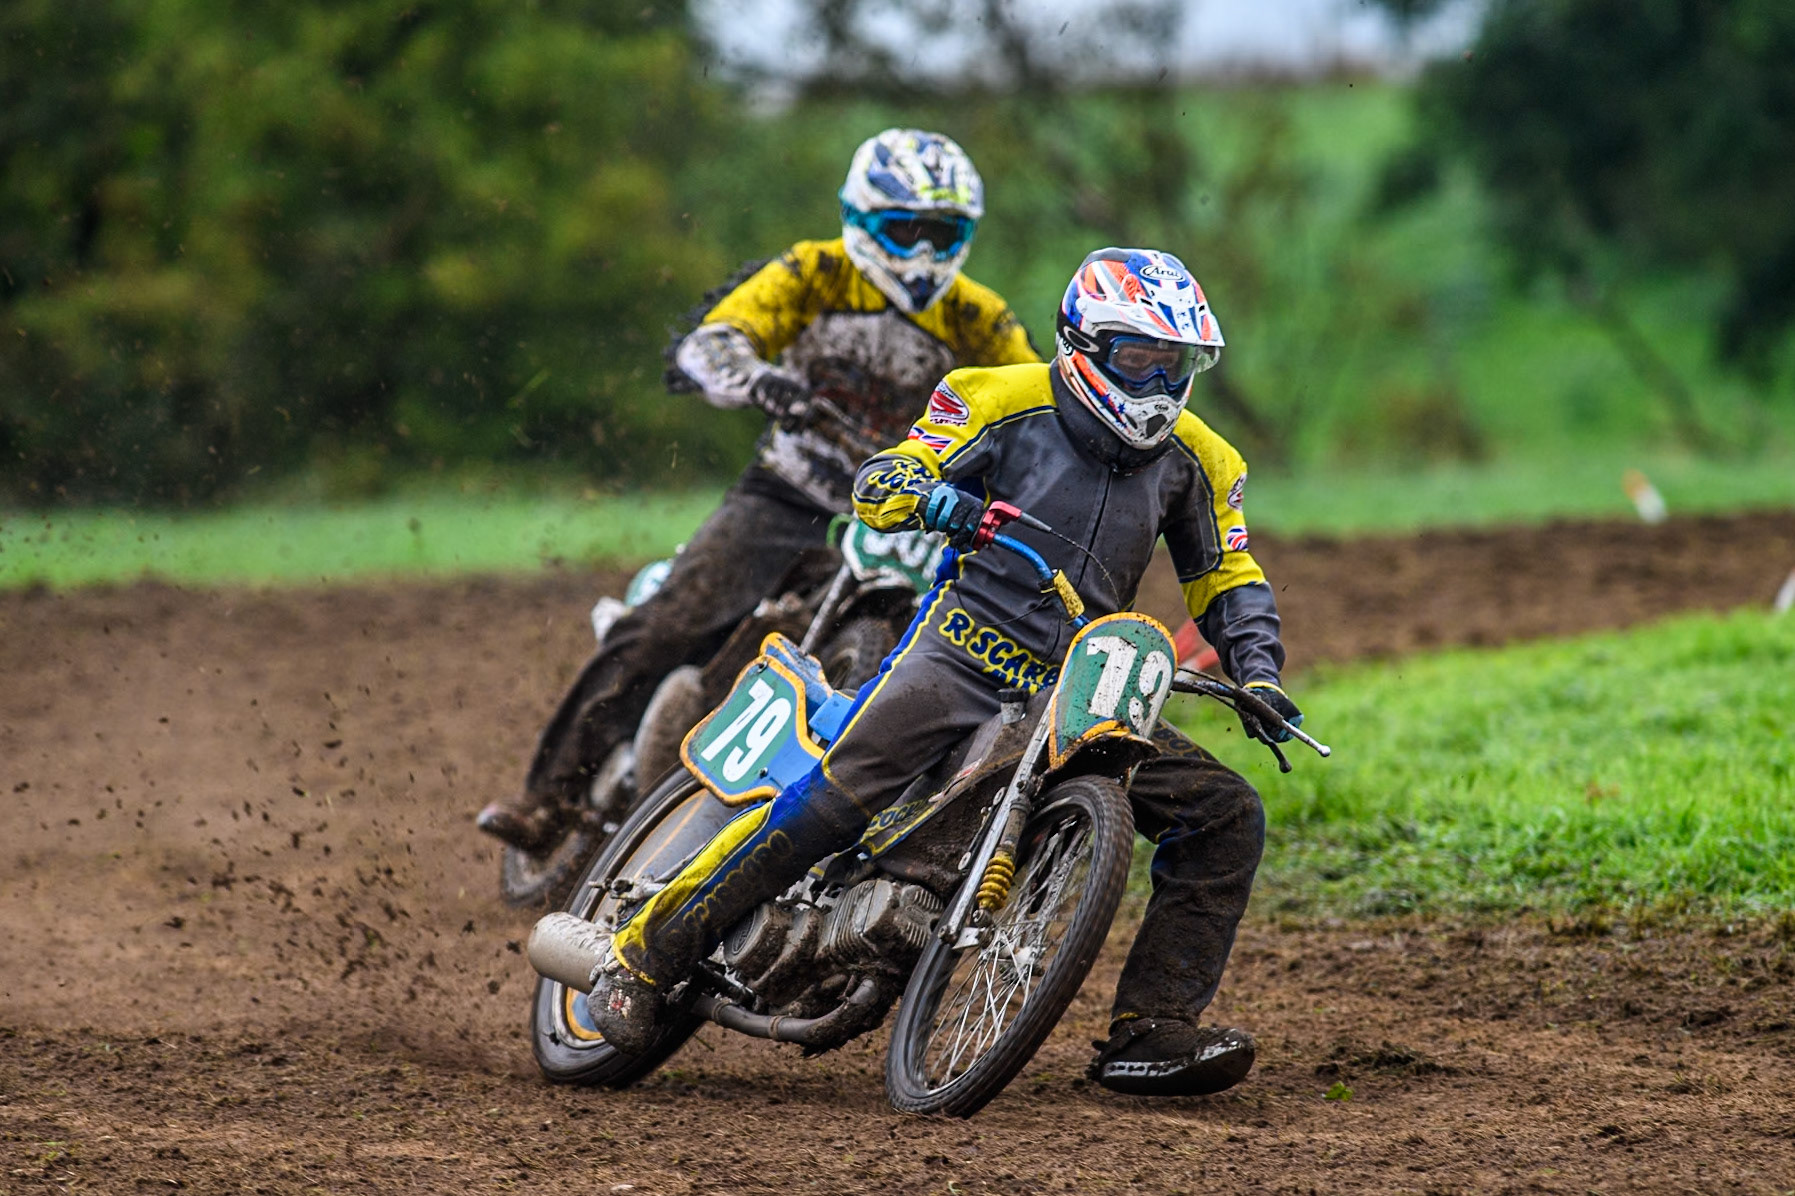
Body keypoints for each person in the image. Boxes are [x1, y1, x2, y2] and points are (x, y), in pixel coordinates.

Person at [584, 247, 1304, 1098]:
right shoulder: (992, 395)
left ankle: (1148, 1033)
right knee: (829, 802)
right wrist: (930, 495)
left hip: (1076, 677)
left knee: (1225, 814)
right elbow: (885, 478)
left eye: (1175, 364)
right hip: (960, 648)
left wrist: (1258, 673)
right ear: (1083, 343)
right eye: (1139, 359)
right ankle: (642, 958)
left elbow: (1228, 580)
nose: (1156, 382)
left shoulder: (1204, 460)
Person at [478, 128, 1039, 851]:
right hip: (791, 490)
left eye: (944, 233)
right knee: (670, 621)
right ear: (861, 220)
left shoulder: (979, 318)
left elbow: (1034, 406)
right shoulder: (814, 273)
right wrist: (759, 377)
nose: (925, 253)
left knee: (951, 662)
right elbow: (712, 339)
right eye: (906, 230)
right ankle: (548, 800)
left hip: (909, 513)